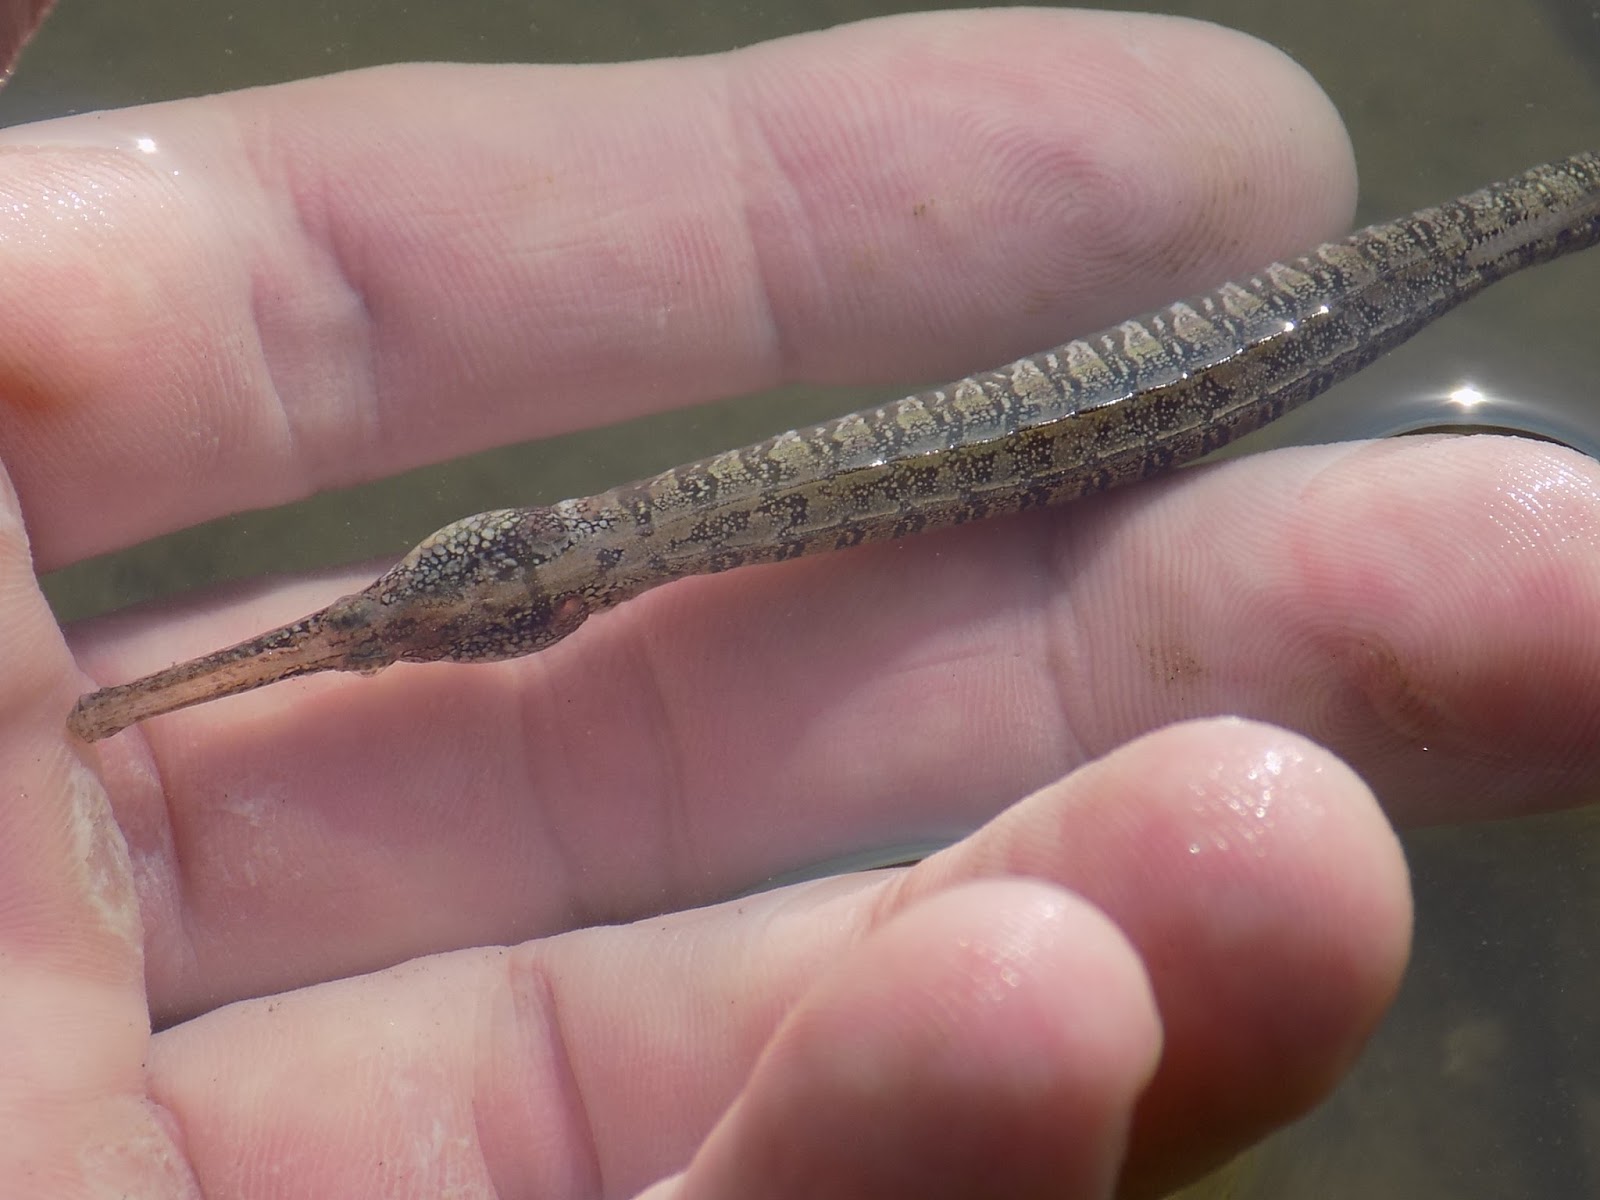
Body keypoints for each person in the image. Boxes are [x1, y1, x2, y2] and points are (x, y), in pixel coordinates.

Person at [2, 7, 1593, 1197]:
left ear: (514, 616)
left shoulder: (596, 568)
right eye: (399, 629)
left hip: (1240, 354)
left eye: (405, 623)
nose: (362, 637)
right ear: (518, 610)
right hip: (1165, 382)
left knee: (1500, 236)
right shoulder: (588, 555)